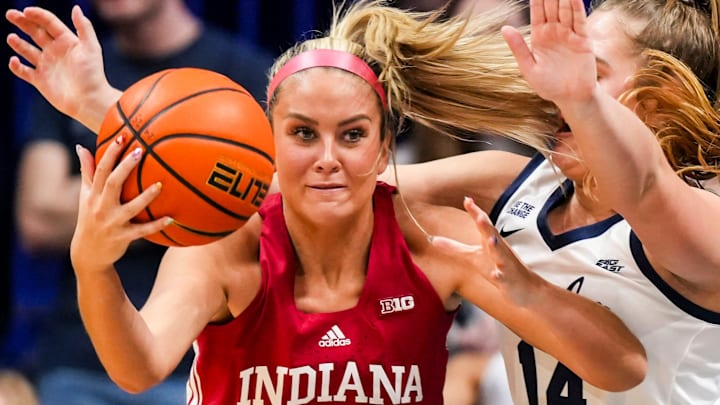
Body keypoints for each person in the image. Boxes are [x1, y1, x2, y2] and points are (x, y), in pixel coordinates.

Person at [6, 1, 648, 403]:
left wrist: (530, 293)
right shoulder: (229, 245)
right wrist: (92, 264)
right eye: (303, 134)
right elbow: (139, 367)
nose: (328, 158)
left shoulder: (433, 237)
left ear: (385, 144)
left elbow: (622, 367)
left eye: (352, 135)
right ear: (270, 140)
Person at [381, 0, 720, 403]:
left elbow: (643, 185)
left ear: (660, 97)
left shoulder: (705, 219)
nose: (553, 86)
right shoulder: (509, 184)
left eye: (590, 71)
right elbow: (339, 196)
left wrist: (581, 101)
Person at [8, 0, 274, 404]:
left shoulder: (242, 73)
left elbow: (281, 200)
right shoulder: (70, 68)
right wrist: (189, 201)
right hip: (76, 355)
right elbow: (39, 217)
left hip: (193, 356)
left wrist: (119, 203)